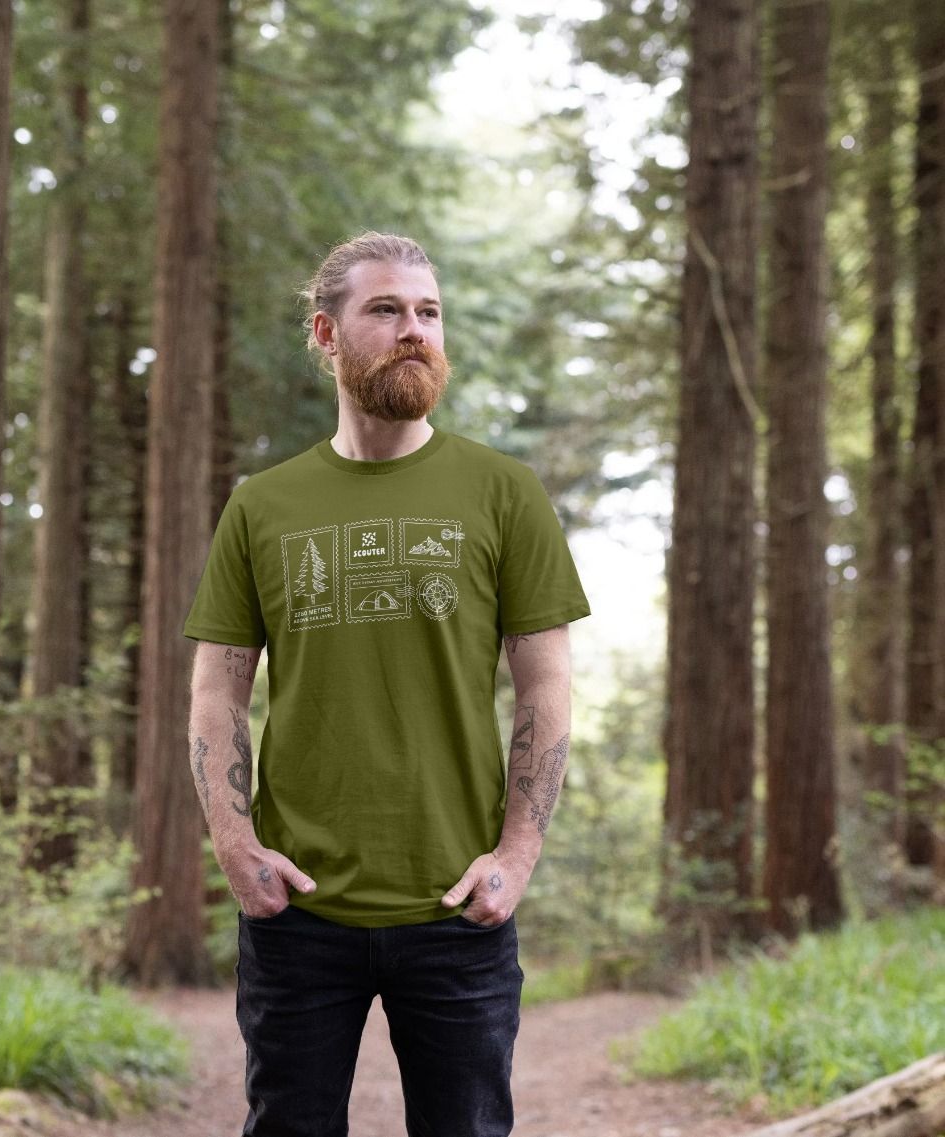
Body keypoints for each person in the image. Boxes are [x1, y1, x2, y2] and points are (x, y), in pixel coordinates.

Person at [183, 231, 590, 1137]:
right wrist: (234, 840)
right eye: (387, 310)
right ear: (326, 335)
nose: (415, 330)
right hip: (298, 907)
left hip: (459, 908)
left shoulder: (504, 491)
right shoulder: (263, 504)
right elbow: (217, 688)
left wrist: (516, 855)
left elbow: (547, 684)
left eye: (429, 313)